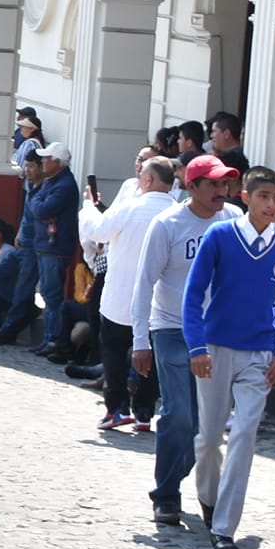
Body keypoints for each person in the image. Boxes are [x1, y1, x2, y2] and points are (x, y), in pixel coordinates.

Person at [180, 167, 275, 549]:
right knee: (210, 438)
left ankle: (224, 527)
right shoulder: (219, 236)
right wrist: (196, 347)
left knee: (245, 434)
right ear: (245, 197)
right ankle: (209, 499)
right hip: (215, 349)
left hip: (259, 354)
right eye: (264, 196)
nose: (270, 205)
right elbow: (194, 293)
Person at [132, 153, 234, 527]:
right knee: (179, 417)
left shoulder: (234, 221)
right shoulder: (168, 224)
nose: (221, 191)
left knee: (207, 426)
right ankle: (167, 493)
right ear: (191, 186)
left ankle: (199, 489)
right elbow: (143, 283)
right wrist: (140, 340)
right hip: (172, 328)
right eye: (213, 184)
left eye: (225, 184)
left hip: (218, 333)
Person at [91, 156, 177, 429]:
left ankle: (116, 407)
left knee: (114, 351)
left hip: (121, 295)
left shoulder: (130, 208)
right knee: (150, 354)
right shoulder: (178, 213)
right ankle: (143, 411)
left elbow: (98, 232)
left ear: (149, 180)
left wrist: (87, 208)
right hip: (159, 301)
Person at [0, 140, 81, 351]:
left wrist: (40, 207)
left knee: (52, 296)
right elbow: (39, 207)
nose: (43, 163)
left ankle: (53, 340)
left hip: (53, 247)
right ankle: (48, 339)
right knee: (48, 294)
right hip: (43, 245)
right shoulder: (52, 182)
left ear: (57, 162)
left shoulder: (64, 185)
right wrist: (41, 207)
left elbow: (40, 209)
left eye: (47, 159)